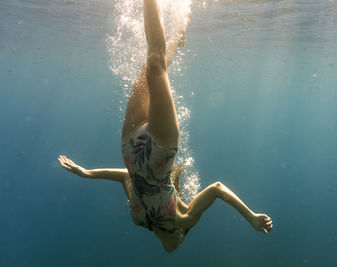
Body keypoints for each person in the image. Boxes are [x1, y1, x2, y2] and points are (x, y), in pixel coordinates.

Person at [58, 0, 273, 253]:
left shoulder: (139, 221)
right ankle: (170, 26)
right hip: (161, 149)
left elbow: (127, 177)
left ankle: (177, 38)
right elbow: (216, 189)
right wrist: (250, 217)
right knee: (156, 65)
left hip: (129, 145)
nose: (176, 246)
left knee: (147, 68)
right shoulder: (184, 219)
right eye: (182, 241)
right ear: (181, 234)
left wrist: (87, 173)